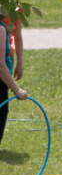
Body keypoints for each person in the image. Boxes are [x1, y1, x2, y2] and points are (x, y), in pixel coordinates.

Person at [0, 16, 28, 147]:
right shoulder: (0, 29)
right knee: (1, 110)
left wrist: (20, 63)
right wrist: (16, 90)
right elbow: (0, 66)